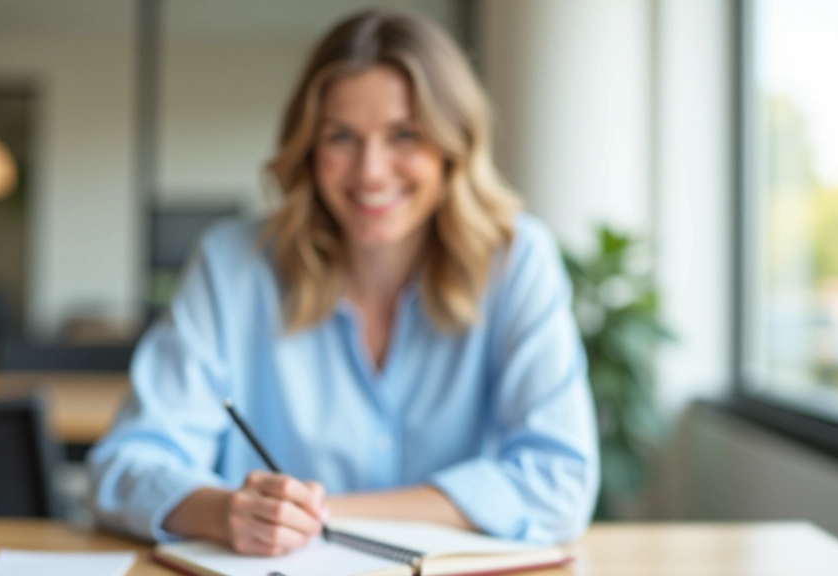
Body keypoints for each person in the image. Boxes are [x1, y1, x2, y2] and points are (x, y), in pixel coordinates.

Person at [89, 8, 599, 556]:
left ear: (453, 145)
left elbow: (559, 481)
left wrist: (319, 515)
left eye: (404, 134)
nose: (370, 171)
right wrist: (227, 512)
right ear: (309, 148)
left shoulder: (516, 261)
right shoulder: (231, 265)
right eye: (341, 137)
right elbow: (125, 466)